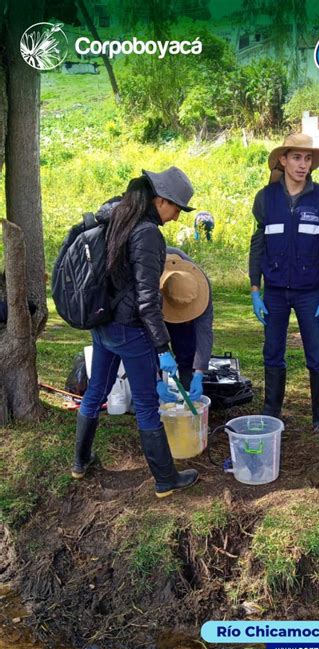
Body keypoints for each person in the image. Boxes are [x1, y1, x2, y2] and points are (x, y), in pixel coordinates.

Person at [72, 166, 200, 498]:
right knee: (145, 404)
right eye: (176, 209)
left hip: (103, 325)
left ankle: (80, 462)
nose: (176, 217)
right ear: (161, 201)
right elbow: (147, 299)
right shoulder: (146, 234)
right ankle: (165, 480)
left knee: (95, 391)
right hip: (130, 331)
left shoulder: (116, 216)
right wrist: (162, 348)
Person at [248, 133, 319, 431]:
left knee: (317, 355)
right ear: (283, 160)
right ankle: (272, 412)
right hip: (274, 292)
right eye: (297, 158)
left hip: (310, 294)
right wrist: (255, 289)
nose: (303, 165)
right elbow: (257, 245)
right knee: (272, 352)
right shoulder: (266, 198)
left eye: (308, 159)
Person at [156, 247, 213, 404]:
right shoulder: (147, 280)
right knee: (155, 353)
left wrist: (199, 373)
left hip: (175, 309)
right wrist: (156, 379)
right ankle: (150, 398)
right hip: (153, 308)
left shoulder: (200, 285)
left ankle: (189, 391)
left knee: (187, 348)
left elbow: (204, 332)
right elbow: (144, 336)